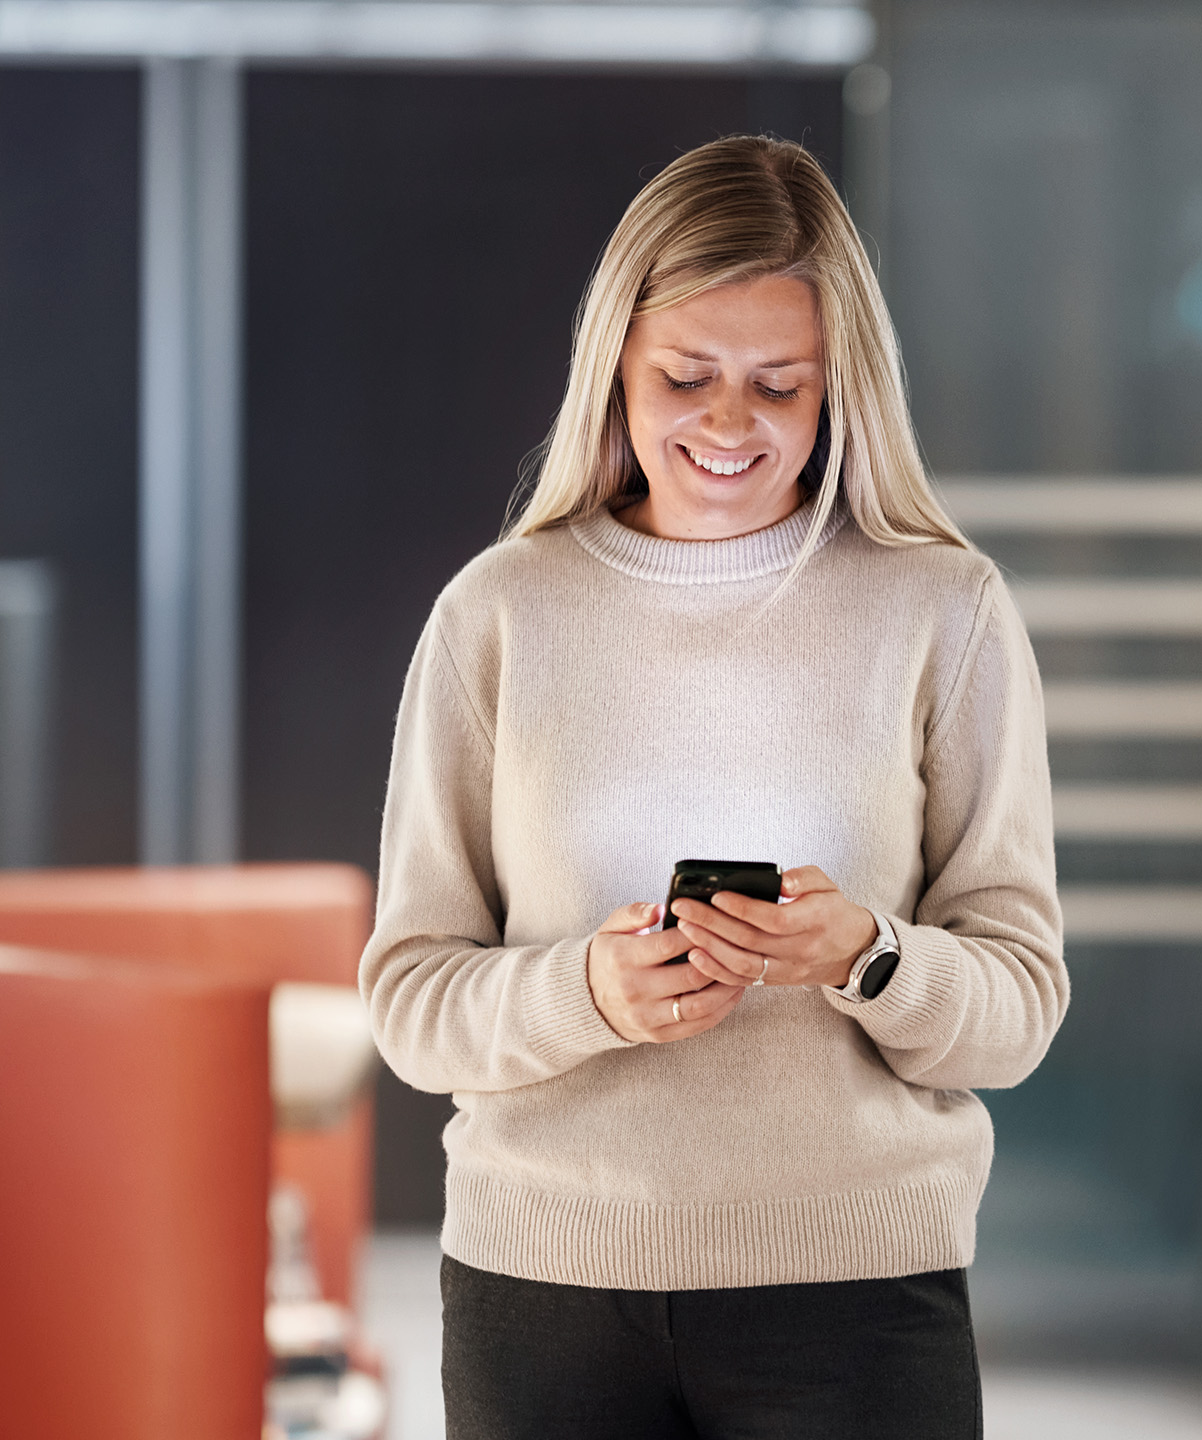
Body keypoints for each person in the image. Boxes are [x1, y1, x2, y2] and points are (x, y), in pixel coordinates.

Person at [359, 135, 1066, 1439]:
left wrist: (865, 954)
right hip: (544, 1295)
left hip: (856, 1297)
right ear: (615, 368)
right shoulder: (500, 614)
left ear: (837, 392)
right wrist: (589, 989)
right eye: (686, 375)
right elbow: (410, 1004)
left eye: (778, 387)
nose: (730, 425)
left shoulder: (941, 609)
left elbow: (1018, 1011)